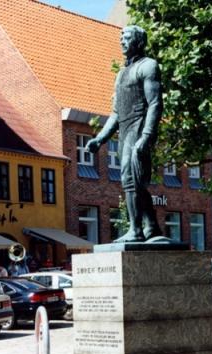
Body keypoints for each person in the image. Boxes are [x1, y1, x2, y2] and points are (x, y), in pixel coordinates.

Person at [86, 25, 163, 243]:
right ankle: (152, 227)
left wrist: (146, 136)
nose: (122, 41)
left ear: (138, 41)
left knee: (130, 178)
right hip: (125, 130)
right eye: (121, 38)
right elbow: (116, 113)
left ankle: (136, 230)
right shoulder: (121, 73)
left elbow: (155, 104)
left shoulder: (148, 66)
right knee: (135, 182)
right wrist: (100, 139)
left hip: (139, 127)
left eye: (126, 37)